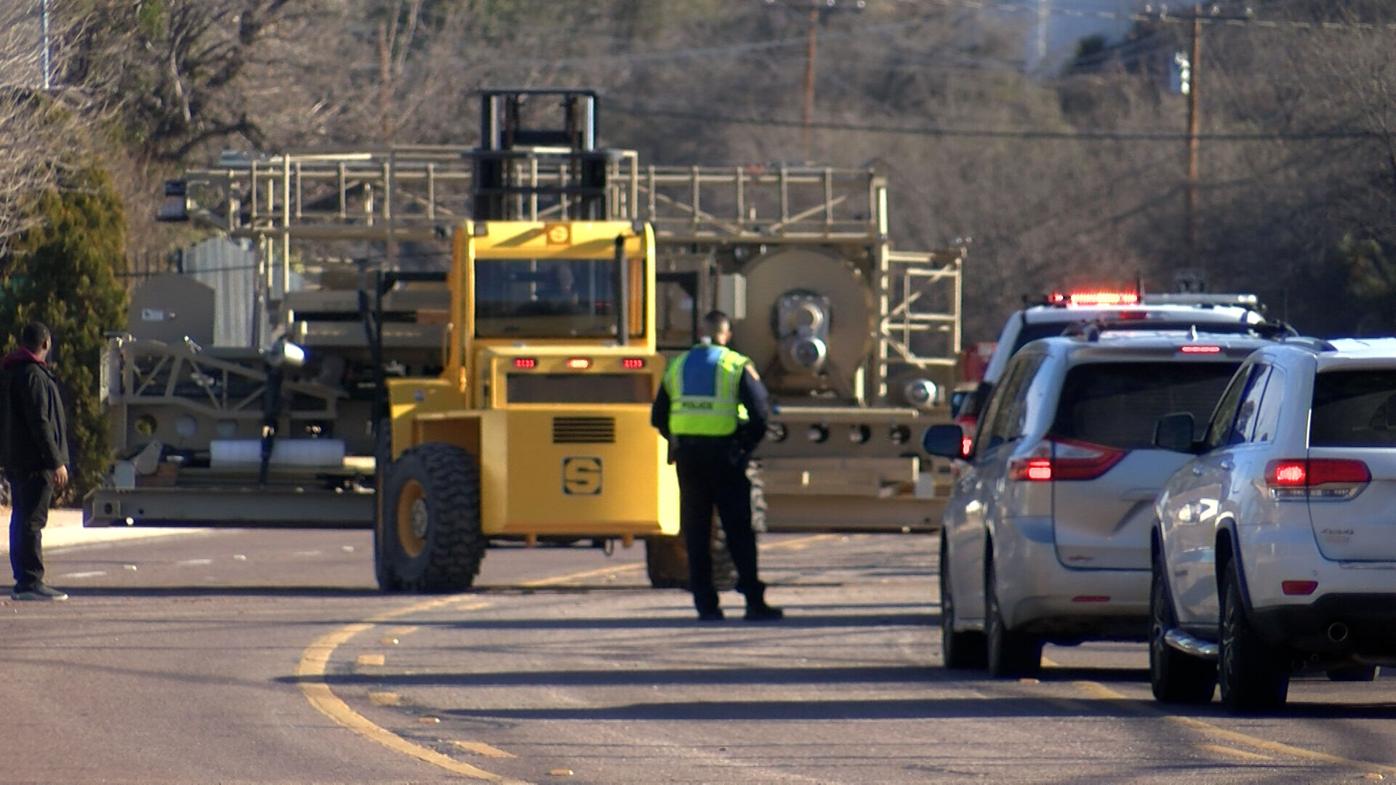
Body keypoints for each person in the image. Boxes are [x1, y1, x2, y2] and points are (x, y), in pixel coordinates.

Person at [651, 310, 782, 622]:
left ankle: (706, 605)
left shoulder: (678, 366)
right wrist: (743, 447)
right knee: (739, 530)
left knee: (696, 532)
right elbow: (761, 414)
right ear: (728, 333)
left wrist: (678, 440)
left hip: (689, 460)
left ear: (701, 331)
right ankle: (753, 600)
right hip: (726, 459)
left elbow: (657, 417)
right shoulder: (735, 365)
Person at [2, 321, 70, 601]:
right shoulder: (33, 375)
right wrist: (56, 461)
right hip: (34, 461)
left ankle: (24, 580)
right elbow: (40, 422)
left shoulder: (13, 371)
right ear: (45, 343)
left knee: (22, 519)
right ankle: (30, 581)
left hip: (19, 458)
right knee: (31, 521)